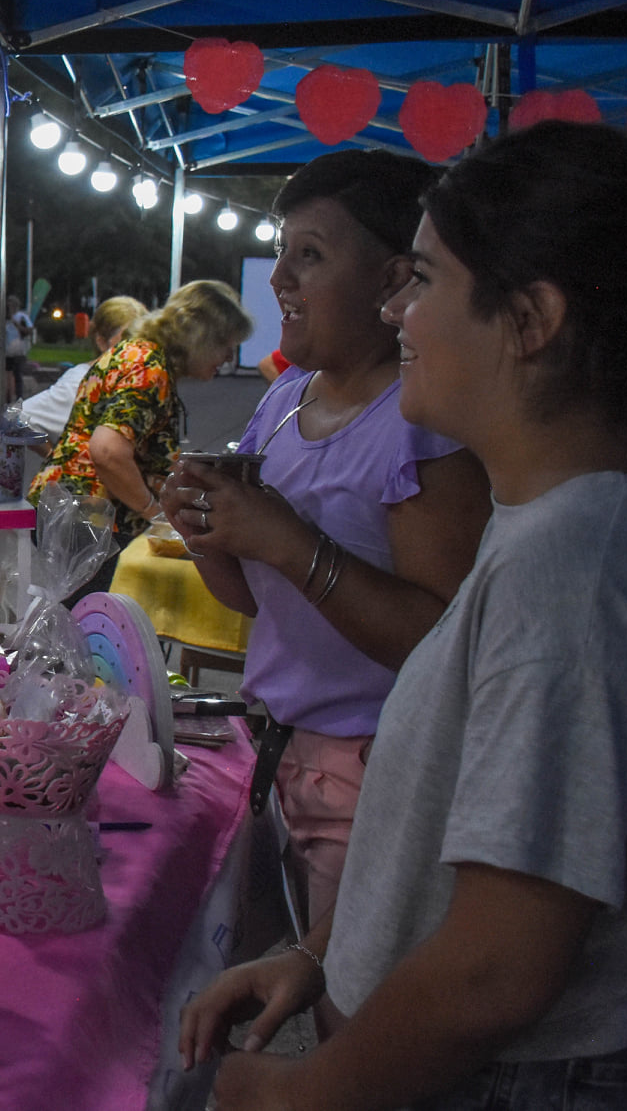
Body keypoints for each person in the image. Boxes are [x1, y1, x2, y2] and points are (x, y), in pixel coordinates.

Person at [180, 121, 627, 1111]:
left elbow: (494, 968)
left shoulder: (575, 579)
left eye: (420, 280)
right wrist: (320, 952)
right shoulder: (561, 519)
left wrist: (303, 1094)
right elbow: (461, 844)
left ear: (530, 319)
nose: (397, 311)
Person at [161, 151, 492, 943]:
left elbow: (440, 638)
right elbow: (253, 599)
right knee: (270, 970)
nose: (279, 277)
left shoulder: (416, 422)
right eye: (282, 252)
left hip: (373, 772)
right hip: (276, 747)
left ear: (392, 280)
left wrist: (288, 543)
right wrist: (204, 530)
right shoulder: (283, 399)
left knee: (343, 991)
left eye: (308, 255)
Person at [29, 280, 250, 599]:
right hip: (92, 521)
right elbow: (108, 451)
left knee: (86, 617)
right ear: (201, 338)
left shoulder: (142, 355)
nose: (229, 357)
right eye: (226, 345)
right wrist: (155, 514)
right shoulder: (148, 367)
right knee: (102, 622)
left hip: (76, 515)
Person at [20, 295, 147, 437]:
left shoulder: (144, 378)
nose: (136, 350)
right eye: (126, 341)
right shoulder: (81, 381)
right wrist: (54, 450)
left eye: (143, 341)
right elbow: (21, 418)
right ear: (101, 342)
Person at [2, 295, 33, 401]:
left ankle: (19, 396)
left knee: (17, 374)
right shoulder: (5, 318)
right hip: (7, 350)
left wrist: (17, 325)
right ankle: (8, 396)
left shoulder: (22, 316)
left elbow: (29, 330)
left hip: (19, 349)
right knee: (7, 373)